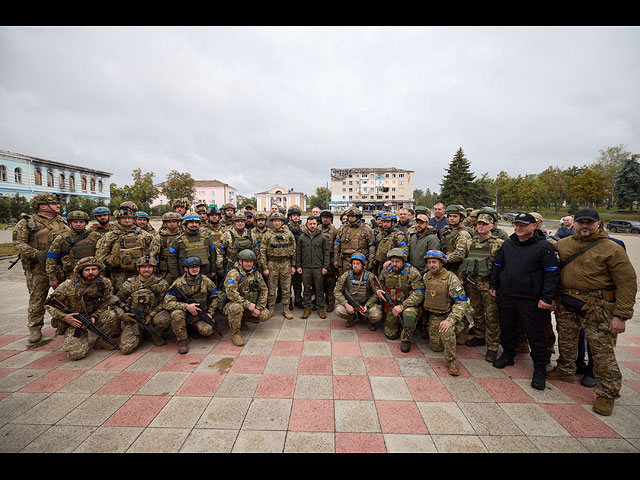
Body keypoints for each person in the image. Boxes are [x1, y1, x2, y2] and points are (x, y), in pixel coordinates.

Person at [547, 208, 637, 416]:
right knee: (567, 341)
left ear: (599, 223)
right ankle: (565, 370)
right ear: (575, 223)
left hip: (597, 308)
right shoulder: (563, 244)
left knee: (602, 351)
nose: (584, 226)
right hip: (567, 303)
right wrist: (551, 297)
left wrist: (621, 316)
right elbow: (552, 273)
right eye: (581, 222)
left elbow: (627, 283)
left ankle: (607, 393)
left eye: (589, 222)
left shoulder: (611, 248)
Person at [489, 213, 560, 391]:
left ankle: (540, 368)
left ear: (533, 226)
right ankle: (508, 354)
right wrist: (494, 285)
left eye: (523, 225)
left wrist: (546, 297)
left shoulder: (544, 246)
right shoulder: (508, 244)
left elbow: (552, 273)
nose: (518, 228)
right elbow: (498, 265)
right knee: (506, 327)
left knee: (535, 333)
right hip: (507, 294)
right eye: (516, 225)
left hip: (530, 298)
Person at [13, 193, 70, 343]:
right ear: (43, 206)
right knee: (37, 300)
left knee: (66, 298)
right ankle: (35, 328)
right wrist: (37, 254)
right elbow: (18, 244)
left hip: (61, 267)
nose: (58, 205)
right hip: (38, 269)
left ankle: (63, 325)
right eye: (54, 203)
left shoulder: (62, 221)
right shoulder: (27, 223)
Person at [45, 256, 120, 360]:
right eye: (87, 270)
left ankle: (101, 342)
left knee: (112, 315)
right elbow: (49, 304)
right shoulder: (68, 285)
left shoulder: (104, 283)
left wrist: (95, 315)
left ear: (99, 270)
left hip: (92, 317)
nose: (91, 272)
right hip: (75, 321)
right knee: (76, 355)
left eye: (94, 269)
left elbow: (105, 302)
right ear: (81, 271)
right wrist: (65, 317)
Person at [459, 213, 504, 362]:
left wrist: (497, 285)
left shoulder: (498, 243)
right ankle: (479, 336)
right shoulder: (470, 242)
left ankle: (492, 347)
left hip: (489, 285)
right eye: (479, 223)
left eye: (484, 224)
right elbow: (464, 261)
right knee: (476, 312)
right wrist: (461, 278)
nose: (481, 226)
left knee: (491, 316)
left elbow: (502, 266)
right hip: (472, 283)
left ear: (492, 226)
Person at [422, 250, 472, 376]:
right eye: (429, 262)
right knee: (435, 348)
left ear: (441, 263)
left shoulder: (451, 278)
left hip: (448, 314)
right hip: (434, 315)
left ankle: (452, 360)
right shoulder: (426, 277)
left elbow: (461, 302)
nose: (431, 265)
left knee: (446, 331)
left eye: (434, 262)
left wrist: (450, 320)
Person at [95, 201, 155, 293]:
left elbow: (153, 251)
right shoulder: (110, 236)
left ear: (134, 219)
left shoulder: (143, 234)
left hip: (139, 274)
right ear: (118, 219)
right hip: (118, 274)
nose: (127, 220)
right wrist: (110, 264)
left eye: (129, 218)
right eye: (124, 218)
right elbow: (100, 257)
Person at [115, 255, 171, 353]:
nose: (147, 269)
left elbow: (165, 302)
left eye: (150, 267)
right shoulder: (128, 284)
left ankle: (151, 333)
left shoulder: (161, 283)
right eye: (143, 267)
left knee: (164, 319)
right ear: (138, 268)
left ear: (154, 268)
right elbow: (116, 302)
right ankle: (142, 332)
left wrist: (152, 314)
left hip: (153, 316)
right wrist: (122, 314)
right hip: (134, 319)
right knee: (125, 349)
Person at [163, 256, 220, 354]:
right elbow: (167, 303)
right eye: (192, 267)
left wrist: (210, 312)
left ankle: (193, 327)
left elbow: (216, 297)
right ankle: (182, 341)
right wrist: (186, 307)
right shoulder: (178, 283)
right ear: (186, 269)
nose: (195, 269)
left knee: (208, 330)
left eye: (197, 267)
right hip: (184, 314)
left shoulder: (206, 280)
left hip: (200, 313)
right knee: (176, 314)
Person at [375, 248, 425, 353]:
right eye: (392, 261)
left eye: (397, 262)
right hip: (393, 305)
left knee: (409, 316)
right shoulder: (387, 271)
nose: (394, 264)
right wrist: (378, 291)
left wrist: (402, 306)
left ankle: (406, 339)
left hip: (408, 306)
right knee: (390, 335)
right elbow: (378, 284)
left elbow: (419, 294)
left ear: (403, 261)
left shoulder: (412, 272)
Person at [222, 249, 271, 346]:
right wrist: (247, 305)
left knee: (264, 314)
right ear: (240, 261)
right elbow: (231, 293)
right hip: (233, 304)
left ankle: (242, 320)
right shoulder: (233, 273)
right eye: (246, 261)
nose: (249, 264)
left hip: (251, 305)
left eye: (251, 261)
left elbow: (264, 290)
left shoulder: (256, 273)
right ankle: (235, 333)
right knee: (236, 308)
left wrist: (259, 307)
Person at [46, 210, 102, 285]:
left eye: (81, 222)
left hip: (92, 275)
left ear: (86, 223)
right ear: (70, 223)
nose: (78, 224)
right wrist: (52, 278)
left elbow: (102, 256)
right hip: (70, 276)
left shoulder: (95, 236)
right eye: (75, 222)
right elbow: (51, 258)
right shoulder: (62, 238)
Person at [259, 212, 297, 319]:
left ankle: (286, 308)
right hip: (272, 263)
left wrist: (293, 265)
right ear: (272, 222)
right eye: (274, 221)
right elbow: (262, 251)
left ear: (282, 222)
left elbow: (294, 250)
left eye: (279, 221)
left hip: (286, 263)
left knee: (286, 288)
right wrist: (265, 267)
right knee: (271, 288)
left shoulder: (288, 234)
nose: (276, 223)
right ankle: (271, 308)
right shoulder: (267, 234)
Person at [334, 252, 384, 329]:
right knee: (338, 310)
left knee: (377, 315)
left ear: (363, 265)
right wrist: (346, 305)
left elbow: (376, 293)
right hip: (351, 304)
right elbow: (337, 291)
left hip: (366, 303)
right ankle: (351, 317)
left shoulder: (369, 276)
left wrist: (367, 305)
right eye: (353, 263)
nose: (355, 266)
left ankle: (369, 321)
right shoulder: (346, 275)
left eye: (358, 264)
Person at [296, 216, 330, 319]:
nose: (312, 226)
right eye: (310, 224)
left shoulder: (322, 237)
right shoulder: (302, 237)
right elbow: (298, 252)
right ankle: (307, 307)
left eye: (314, 224)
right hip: (305, 267)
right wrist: (298, 265)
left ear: (317, 224)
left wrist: (325, 266)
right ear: (307, 224)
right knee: (306, 288)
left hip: (318, 267)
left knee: (319, 288)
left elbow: (326, 253)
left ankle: (320, 307)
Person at [167, 212, 217, 282]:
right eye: (191, 222)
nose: (194, 224)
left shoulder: (207, 239)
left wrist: (213, 270)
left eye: (196, 222)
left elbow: (213, 257)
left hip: (205, 276)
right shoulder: (178, 241)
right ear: (185, 224)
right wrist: (175, 276)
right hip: (185, 278)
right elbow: (172, 259)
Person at [334, 207, 375, 278]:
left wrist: (371, 262)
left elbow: (371, 245)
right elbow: (337, 244)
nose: (351, 218)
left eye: (353, 216)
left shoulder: (366, 229)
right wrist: (335, 259)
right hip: (345, 261)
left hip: (360, 261)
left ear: (358, 217)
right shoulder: (343, 228)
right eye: (349, 216)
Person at [217, 212, 257, 276]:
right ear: (233, 222)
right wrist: (220, 268)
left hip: (248, 267)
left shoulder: (250, 234)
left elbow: (256, 250)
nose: (240, 223)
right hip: (232, 267)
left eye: (242, 221)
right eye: (237, 221)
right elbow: (220, 252)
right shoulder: (227, 235)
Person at [440, 205, 473, 276]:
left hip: (457, 270)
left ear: (461, 218)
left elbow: (459, 254)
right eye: (450, 216)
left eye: (455, 216)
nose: (451, 218)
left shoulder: (463, 234)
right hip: (447, 267)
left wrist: (442, 258)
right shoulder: (448, 231)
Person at [151, 211, 183, 284]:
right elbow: (152, 255)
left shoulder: (183, 236)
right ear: (165, 223)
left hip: (180, 268)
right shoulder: (159, 237)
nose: (172, 224)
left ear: (178, 223)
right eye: (169, 222)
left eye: (174, 221)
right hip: (165, 270)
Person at [319, 210, 339, 312]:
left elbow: (337, 246)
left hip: (330, 260)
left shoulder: (335, 230)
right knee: (319, 283)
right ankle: (320, 302)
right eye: (323, 217)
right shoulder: (317, 229)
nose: (325, 219)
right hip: (319, 260)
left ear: (331, 219)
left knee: (331, 283)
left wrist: (335, 260)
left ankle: (331, 303)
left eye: (328, 217)